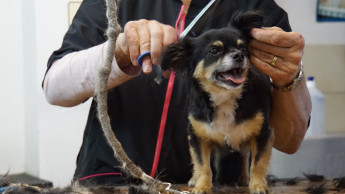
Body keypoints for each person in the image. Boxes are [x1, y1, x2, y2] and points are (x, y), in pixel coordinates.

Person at [43, 0, 311, 186]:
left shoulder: (258, 10)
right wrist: (121, 50)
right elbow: (55, 88)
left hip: (214, 187)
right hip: (109, 182)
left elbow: (290, 140)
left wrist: (290, 77)